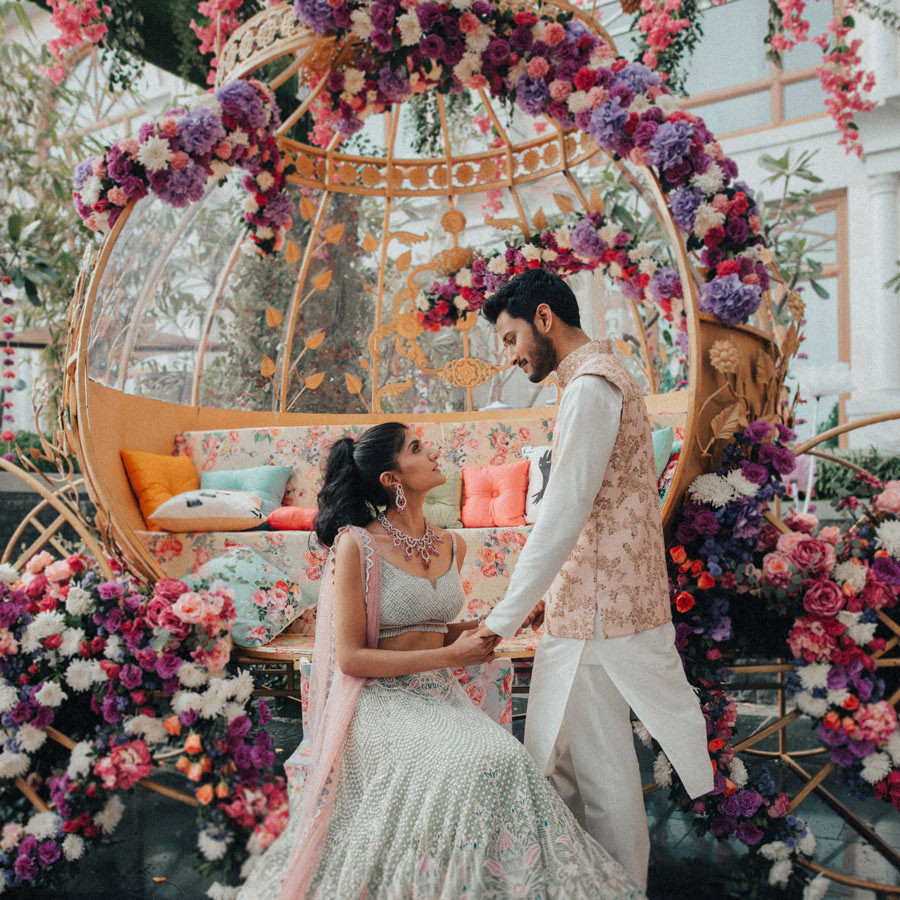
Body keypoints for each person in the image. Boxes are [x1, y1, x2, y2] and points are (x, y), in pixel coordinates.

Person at [237, 421, 646, 900]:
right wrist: (452, 654)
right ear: (393, 479)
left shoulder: (452, 543)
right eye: (415, 448)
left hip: (439, 696)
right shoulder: (357, 545)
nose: (432, 452)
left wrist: (498, 624)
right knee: (471, 765)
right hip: (379, 704)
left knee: (505, 757)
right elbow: (349, 658)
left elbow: (433, 627)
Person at [476, 268, 714, 892]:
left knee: (599, 781)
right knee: (563, 766)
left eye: (510, 338)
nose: (510, 356)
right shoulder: (597, 379)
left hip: (600, 613)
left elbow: (563, 515)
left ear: (546, 318)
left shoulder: (589, 386)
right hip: (592, 604)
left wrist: (497, 623)